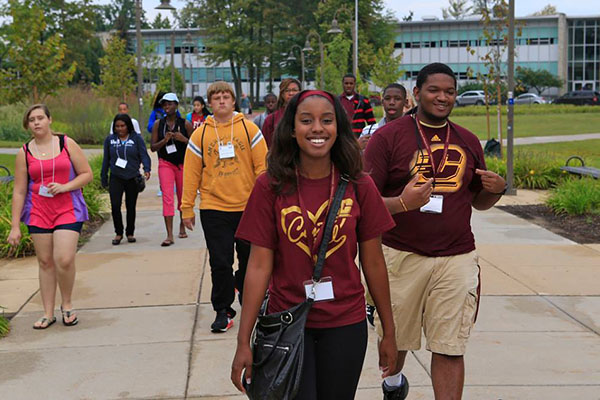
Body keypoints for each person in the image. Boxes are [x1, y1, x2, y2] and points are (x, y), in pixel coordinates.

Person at [230, 90, 398, 399]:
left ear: (339, 128)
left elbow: (373, 262)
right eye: (306, 121)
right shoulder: (270, 186)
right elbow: (257, 265)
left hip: (346, 323)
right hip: (287, 322)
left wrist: (389, 331)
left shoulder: (360, 185)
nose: (317, 129)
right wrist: (244, 340)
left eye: (327, 120)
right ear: (292, 130)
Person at [364, 63, 507, 400]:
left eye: (450, 92)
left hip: (456, 256)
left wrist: (496, 189)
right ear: (417, 93)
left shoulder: (468, 140)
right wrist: (403, 201)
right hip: (401, 255)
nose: (443, 97)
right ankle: (393, 384)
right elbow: (364, 205)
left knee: (450, 345)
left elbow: (479, 203)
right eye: (434, 90)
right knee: (396, 340)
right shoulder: (388, 137)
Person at [181, 81, 267, 333]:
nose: (221, 101)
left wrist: (265, 202)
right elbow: (191, 174)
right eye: (216, 97)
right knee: (220, 262)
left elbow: (263, 168)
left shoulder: (249, 130)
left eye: (225, 97)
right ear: (209, 103)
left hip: (248, 207)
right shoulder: (201, 134)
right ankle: (223, 309)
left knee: (250, 260)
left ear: (233, 101)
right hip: (213, 208)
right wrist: (187, 208)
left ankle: (244, 289)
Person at [7, 104, 92, 329]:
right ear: (28, 125)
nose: (36, 122)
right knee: (45, 262)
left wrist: (65, 187)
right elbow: (19, 190)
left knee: (64, 259)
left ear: (49, 120)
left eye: (40, 118)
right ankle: (47, 313)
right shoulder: (24, 152)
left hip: (67, 208)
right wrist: (15, 226)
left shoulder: (66, 143)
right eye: (32, 120)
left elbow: (86, 174)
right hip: (39, 211)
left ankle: (67, 304)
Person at [101, 113, 151, 245]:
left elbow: (143, 154)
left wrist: (147, 168)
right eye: (117, 126)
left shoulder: (136, 139)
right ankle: (118, 232)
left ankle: (130, 232)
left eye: (122, 126)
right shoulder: (110, 140)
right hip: (116, 177)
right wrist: (103, 176)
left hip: (131, 176)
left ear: (128, 126)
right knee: (115, 205)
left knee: (130, 206)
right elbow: (106, 159)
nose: (120, 129)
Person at [151, 93, 192, 246]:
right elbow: (153, 147)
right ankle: (169, 235)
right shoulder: (158, 124)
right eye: (164, 105)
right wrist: (164, 140)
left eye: (170, 104)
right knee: (167, 197)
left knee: (183, 197)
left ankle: (182, 227)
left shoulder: (185, 124)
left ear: (176, 105)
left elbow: (196, 146)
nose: (167, 107)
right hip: (165, 163)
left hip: (182, 164)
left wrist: (184, 139)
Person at [359, 83, 407, 151]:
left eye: (397, 99)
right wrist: (358, 148)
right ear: (382, 102)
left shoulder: (414, 129)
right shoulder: (368, 131)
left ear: (405, 102)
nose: (392, 102)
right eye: (387, 98)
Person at [261, 78, 301, 147]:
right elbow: (265, 146)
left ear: (300, 92)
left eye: (294, 90)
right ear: (282, 94)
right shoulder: (271, 119)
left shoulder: (308, 115)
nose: (291, 93)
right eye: (287, 90)